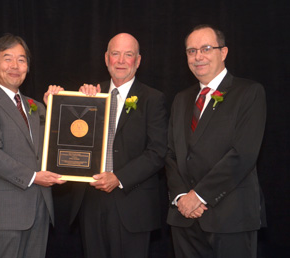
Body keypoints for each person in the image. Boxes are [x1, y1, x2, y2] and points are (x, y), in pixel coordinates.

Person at [165, 24, 267, 258]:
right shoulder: (181, 99)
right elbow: (170, 154)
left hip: (231, 219)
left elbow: (243, 154)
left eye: (206, 48)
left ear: (224, 52)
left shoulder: (249, 92)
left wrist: (198, 196)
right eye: (191, 51)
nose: (198, 56)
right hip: (184, 219)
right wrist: (182, 197)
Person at [0, 34, 65, 258]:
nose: (15, 66)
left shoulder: (37, 107)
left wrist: (57, 108)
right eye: (7, 58)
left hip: (40, 209)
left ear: (28, 67)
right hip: (3, 214)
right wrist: (33, 176)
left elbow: (53, 148)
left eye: (21, 60)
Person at [69, 33, 168, 257]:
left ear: (138, 61)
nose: (121, 60)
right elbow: (71, 138)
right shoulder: (89, 94)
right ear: (106, 58)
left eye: (128, 55)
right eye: (116, 54)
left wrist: (119, 177)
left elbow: (158, 151)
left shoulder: (153, 98)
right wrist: (72, 101)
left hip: (131, 201)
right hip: (90, 200)